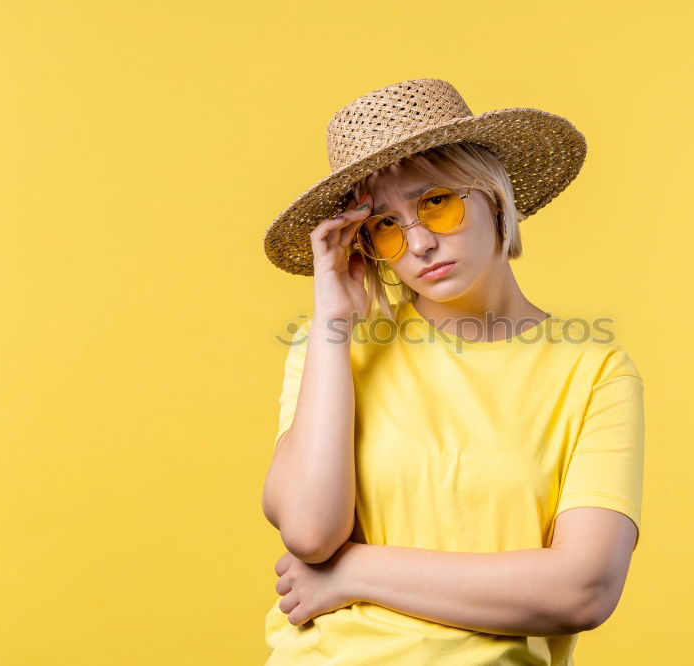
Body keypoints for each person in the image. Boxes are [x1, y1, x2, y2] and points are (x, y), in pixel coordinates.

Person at [260, 78, 645, 665]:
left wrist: (353, 573)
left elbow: (583, 589)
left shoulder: (593, 371)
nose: (417, 243)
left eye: (436, 202)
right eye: (384, 224)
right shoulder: (334, 349)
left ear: (494, 196)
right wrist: (333, 325)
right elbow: (311, 534)